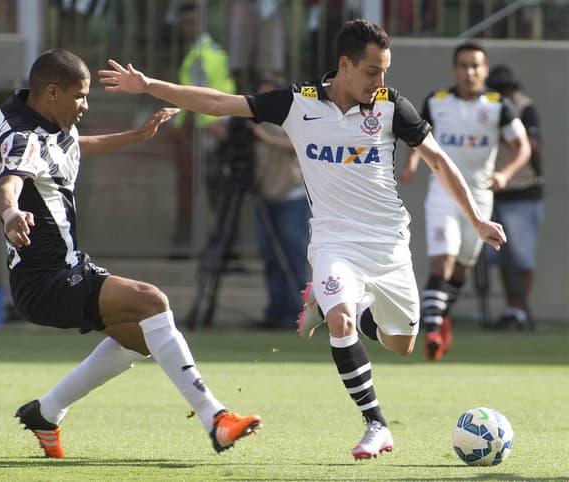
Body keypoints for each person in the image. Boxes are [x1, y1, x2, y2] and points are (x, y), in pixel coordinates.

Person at [99, 19, 507, 460]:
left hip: (389, 246)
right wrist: (148, 85)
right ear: (345, 65)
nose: (381, 81)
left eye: (385, 71)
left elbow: (440, 162)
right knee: (342, 324)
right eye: (373, 71)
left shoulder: (392, 106)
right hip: (334, 243)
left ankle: (335, 303)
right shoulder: (297, 103)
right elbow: (219, 103)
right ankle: (376, 424)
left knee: (402, 343)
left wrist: (478, 220)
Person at [0, 48, 261, 458]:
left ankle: (47, 411)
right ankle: (216, 418)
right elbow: (10, 182)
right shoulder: (26, 138)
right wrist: (11, 213)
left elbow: (68, 148)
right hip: (45, 280)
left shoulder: (32, 114)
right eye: (80, 96)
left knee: (141, 338)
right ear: (52, 92)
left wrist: (135, 136)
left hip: (59, 270)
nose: (86, 104)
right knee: (152, 302)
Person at [400, 42, 531, 360]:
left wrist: (505, 174)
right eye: (463, 65)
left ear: (484, 70)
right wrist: (411, 165)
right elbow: (419, 138)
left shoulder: (499, 105)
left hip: (480, 198)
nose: (469, 71)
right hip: (442, 195)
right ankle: (431, 330)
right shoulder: (436, 101)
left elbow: (523, 146)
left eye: (475, 66)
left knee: (460, 269)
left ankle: (440, 316)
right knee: (442, 261)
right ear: (454, 69)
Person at [168, 1, 236, 256]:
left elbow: (198, 98)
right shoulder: (207, 51)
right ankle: (220, 245)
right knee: (210, 191)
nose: (188, 28)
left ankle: (217, 245)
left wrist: (205, 127)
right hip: (210, 126)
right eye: (184, 23)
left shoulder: (201, 55)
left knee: (210, 191)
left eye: (191, 22)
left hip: (208, 130)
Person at [484, 64, 543, 330]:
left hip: (523, 190)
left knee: (521, 256)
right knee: (499, 256)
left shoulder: (522, 107)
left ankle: (519, 311)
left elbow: (532, 146)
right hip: (495, 190)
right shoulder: (487, 107)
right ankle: (511, 308)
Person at [250, 77, 310, 330]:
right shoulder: (253, 120)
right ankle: (276, 312)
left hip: (290, 195)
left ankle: (297, 314)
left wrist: (262, 136)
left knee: (293, 256)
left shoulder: (292, 118)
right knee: (271, 257)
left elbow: (297, 146)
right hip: (265, 196)